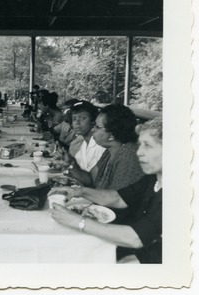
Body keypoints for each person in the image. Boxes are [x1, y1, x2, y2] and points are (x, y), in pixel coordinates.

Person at [50, 117, 163, 264]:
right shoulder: (153, 179)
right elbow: (118, 198)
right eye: (139, 144)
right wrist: (79, 191)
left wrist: (78, 221)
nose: (139, 152)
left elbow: (136, 238)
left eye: (147, 145)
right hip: (139, 247)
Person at [90, 104, 145, 190]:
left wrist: (82, 192)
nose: (92, 129)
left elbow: (117, 198)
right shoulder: (110, 151)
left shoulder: (128, 155)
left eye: (97, 127)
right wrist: (70, 165)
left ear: (112, 134)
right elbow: (91, 180)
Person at [59, 101, 106, 186]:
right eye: (74, 119)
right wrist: (69, 161)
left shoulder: (100, 145)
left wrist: (70, 165)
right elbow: (82, 172)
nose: (77, 122)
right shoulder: (84, 143)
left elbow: (92, 182)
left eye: (83, 118)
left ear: (93, 121)